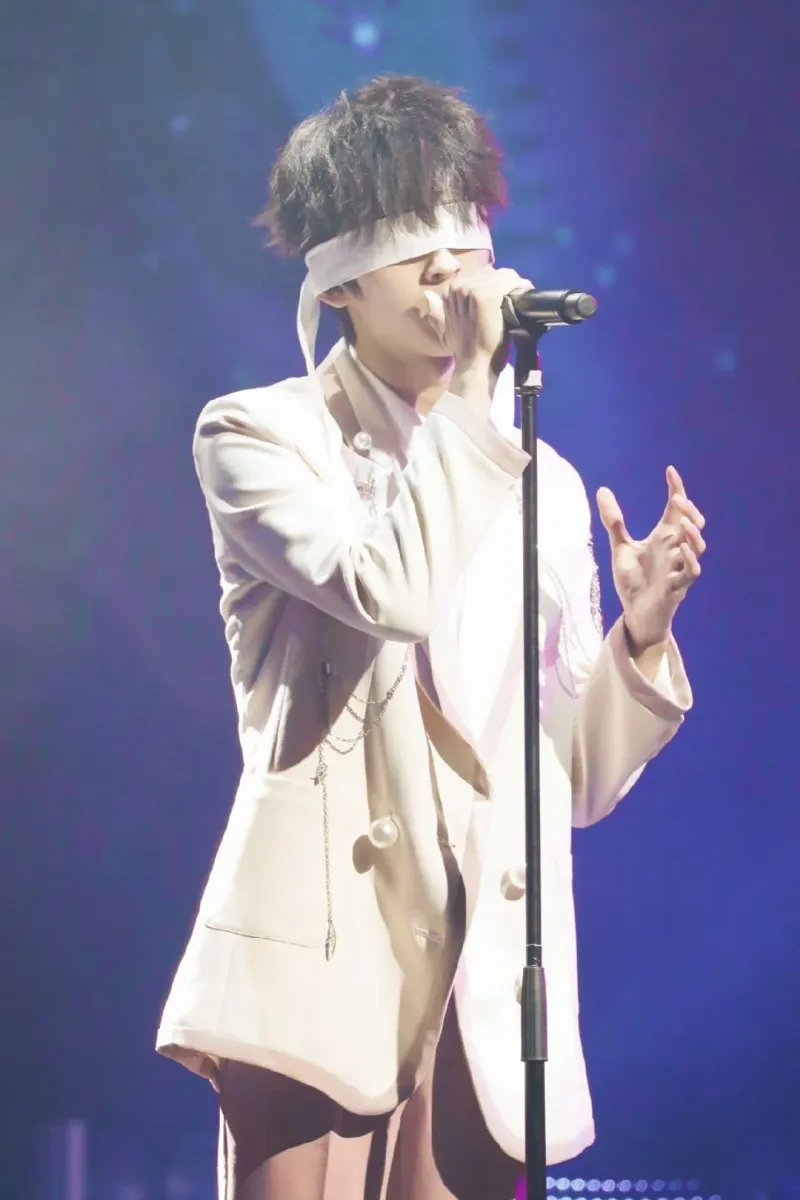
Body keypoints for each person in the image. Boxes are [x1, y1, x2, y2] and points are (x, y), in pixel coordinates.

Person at [156, 76, 705, 1200]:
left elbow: (570, 782)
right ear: (341, 282)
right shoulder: (262, 436)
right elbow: (386, 588)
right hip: (326, 956)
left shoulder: (541, 482)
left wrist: (639, 639)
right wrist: (472, 409)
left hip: (486, 979)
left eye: (469, 246)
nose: (455, 278)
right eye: (422, 253)